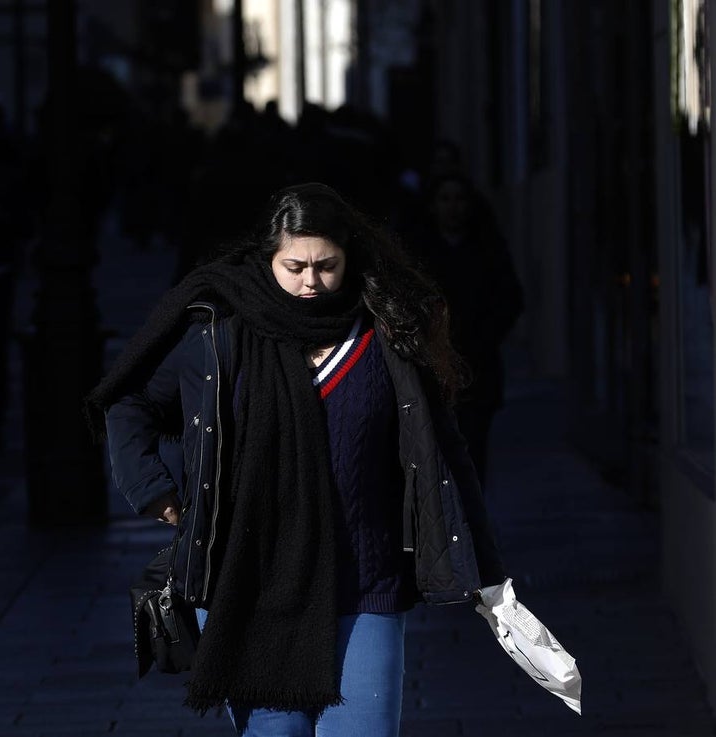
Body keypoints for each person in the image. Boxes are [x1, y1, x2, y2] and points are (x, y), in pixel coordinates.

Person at [86, 183, 505, 736]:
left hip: (365, 581)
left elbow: (441, 448)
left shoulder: (385, 333)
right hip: (250, 586)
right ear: (269, 258)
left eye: (326, 266)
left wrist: (474, 559)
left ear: (350, 258)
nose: (311, 282)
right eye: (295, 266)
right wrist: (158, 492)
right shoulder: (222, 328)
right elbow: (128, 399)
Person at [409, 173, 524, 488]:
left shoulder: (487, 247)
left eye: (459, 199)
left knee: (473, 457)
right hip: (432, 368)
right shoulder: (420, 250)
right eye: (445, 199)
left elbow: (510, 299)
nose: (453, 208)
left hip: (477, 368)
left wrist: (481, 337)